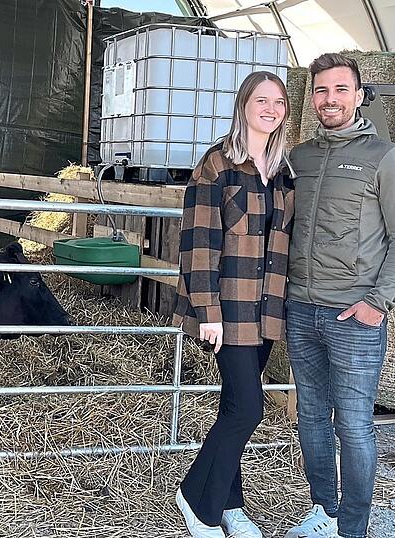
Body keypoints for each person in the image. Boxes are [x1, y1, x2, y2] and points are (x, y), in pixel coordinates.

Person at [284, 53, 395, 538]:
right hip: (300, 308)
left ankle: (353, 528)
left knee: (355, 425)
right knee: (312, 416)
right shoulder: (299, 157)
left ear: (359, 95)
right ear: (312, 97)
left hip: (354, 315)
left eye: (341, 89)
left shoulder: (385, 157)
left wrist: (377, 303)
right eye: (321, 90)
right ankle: (324, 510)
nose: (330, 99)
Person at [171, 70, 294, 538]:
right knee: (249, 408)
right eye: (261, 100)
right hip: (227, 310)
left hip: (266, 311)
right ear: (243, 105)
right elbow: (198, 242)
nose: (271, 108)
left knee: (232, 405)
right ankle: (197, 501)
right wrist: (208, 311)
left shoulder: (284, 171)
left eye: (279, 102)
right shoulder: (217, 165)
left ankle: (231, 503)